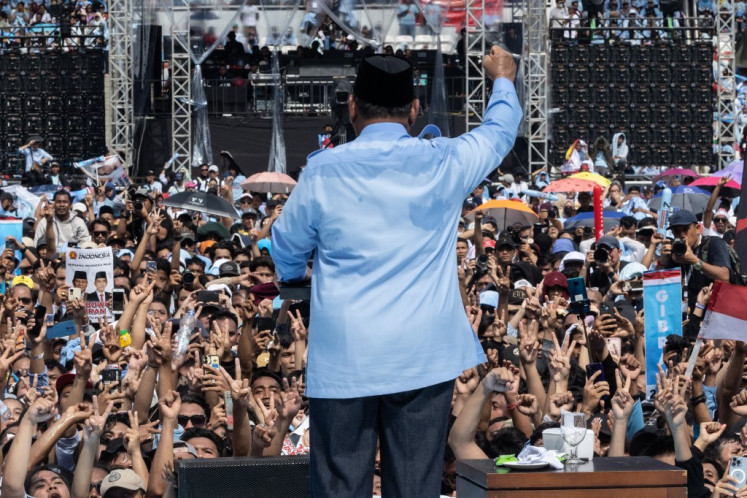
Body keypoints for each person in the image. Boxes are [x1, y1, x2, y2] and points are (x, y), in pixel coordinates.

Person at [271, 47, 521, 497]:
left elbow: (286, 247)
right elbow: (500, 132)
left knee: (339, 488)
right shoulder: (445, 160)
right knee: (414, 487)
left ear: (352, 107)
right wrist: (502, 78)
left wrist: (295, 279)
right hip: (422, 359)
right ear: (413, 109)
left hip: (345, 358)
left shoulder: (323, 170)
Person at [666, 209, 732, 309]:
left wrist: (694, 261)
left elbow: (725, 276)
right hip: (689, 315)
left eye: (685, 229)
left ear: (697, 228)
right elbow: (664, 286)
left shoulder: (713, 243)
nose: (682, 234)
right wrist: (663, 259)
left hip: (714, 312)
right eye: (677, 231)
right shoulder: (677, 251)